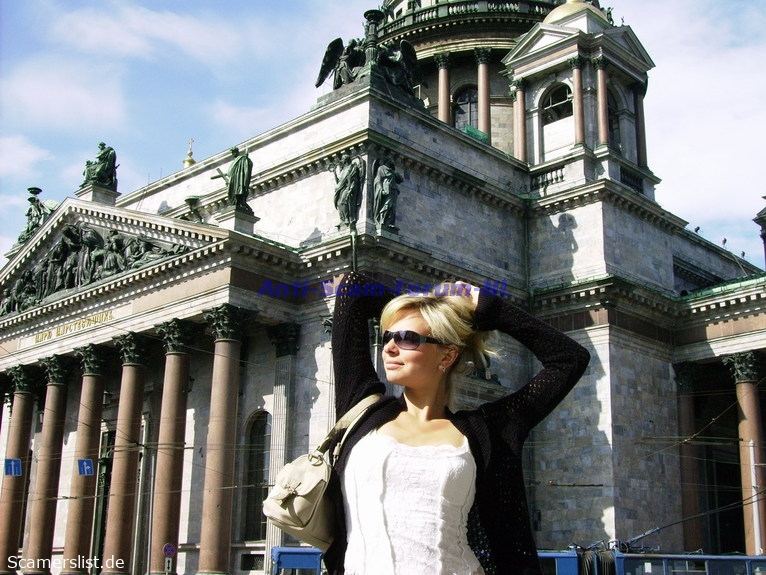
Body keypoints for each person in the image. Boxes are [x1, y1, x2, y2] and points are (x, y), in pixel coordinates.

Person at [326, 272, 590, 575]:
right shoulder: (362, 410)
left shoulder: (488, 431)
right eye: (388, 336)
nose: (390, 347)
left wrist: (486, 306)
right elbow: (354, 288)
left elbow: (570, 359)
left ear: (447, 355)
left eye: (407, 338)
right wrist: (432, 306)